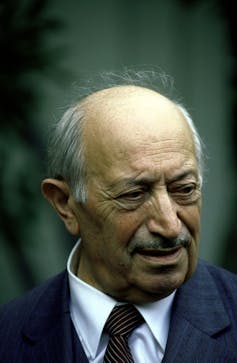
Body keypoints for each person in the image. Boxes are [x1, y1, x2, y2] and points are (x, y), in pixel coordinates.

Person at [1, 70, 237, 363]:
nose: (169, 225)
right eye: (134, 195)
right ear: (65, 203)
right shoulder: (7, 339)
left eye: (184, 189)